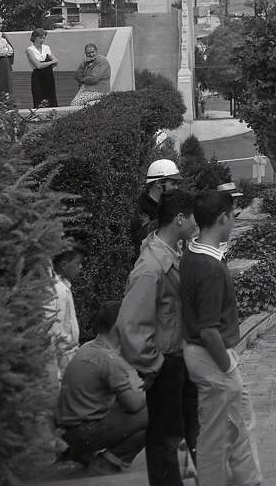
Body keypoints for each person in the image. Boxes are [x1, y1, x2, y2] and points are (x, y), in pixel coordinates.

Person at [118, 189, 199, 486]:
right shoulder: (150, 268)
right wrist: (155, 365)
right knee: (164, 440)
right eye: (192, 217)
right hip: (166, 364)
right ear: (179, 219)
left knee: (171, 437)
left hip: (175, 361)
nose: (196, 223)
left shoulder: (168, 254)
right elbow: (130, 325)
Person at [181, 191, 261, 486]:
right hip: (212, 357)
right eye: (233, 215)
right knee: (218, 433)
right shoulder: (209, 267)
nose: (233, 221)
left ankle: (247, 479)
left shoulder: (192, 253)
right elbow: (208, 330)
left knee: (234, 424)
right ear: (222, 218)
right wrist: (228, 367)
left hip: (201, 354)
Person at [55, 301, 148, 475]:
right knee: (155, 411)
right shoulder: (110, 360)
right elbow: (133, 405)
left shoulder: (87, 347)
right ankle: (108, 462)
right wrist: (151, 391)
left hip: (68, 431)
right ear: (117, 327)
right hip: (83, 433)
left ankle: (82, 455)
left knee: (123, 404)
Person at [131, 160, 184, 254]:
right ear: (158, 183)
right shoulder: (140, 210)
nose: (176, 188)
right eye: (173, 184)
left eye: (177, 184)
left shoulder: (171, 206)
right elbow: (144, 240)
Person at [50, 248, 82, 379]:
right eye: (77, 263)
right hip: (63, 356)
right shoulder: (58, 290)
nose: (80, 267)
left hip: (69, 353)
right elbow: (56, 328)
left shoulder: (64, 287)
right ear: (63, 265)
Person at [25, 28, 59, 107]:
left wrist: (49, 63)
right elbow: (38, 65)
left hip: (49, 76)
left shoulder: (46, 48)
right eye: (40, 38)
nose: (42, 40)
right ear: (34, 38)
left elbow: (56, 61)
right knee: (39, 97)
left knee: (51, 97)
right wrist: (51, 62)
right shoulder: (30, 50)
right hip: (38, 77)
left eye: (43, 38)